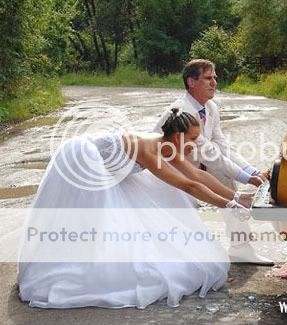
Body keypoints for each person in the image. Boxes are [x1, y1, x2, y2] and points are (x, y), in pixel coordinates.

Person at [18, 109, 251, 309]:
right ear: (177, 137)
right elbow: (188, 184)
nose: (195, 144)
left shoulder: (168, 147)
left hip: (107, 167)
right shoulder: (149, 150)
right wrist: (229, 205)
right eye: (192, 138)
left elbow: (198, 174)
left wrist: (238, 196)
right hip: (82, 160)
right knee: (97, 222)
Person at [154, 59, 273, 265]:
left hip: (195, 164)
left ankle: (240, 248)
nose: (214, 82)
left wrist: (251, 171)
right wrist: (249, 179)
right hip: (169, 167)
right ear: (191, 82)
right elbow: (209, 153)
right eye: (208, 78)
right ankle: (175, 256)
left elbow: (222, 145)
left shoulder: (210, 107)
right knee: (182, 210)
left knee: (227, 180)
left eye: (215, 77)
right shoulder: (182, 111)